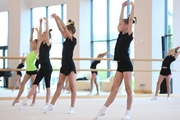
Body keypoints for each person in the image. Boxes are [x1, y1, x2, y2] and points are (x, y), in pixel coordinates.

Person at [94, 1, 136, 120]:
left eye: (120, 24)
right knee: (114, 88)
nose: (118, 25)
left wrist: (133, 6)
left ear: (126, 26)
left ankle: (127, 113)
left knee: (128, 88)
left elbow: (131, 18)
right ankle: (103, 110)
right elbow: (120, 18)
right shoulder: (120, 35)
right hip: (120, 65)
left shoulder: (128, 34)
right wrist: (122, 7)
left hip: (127, 65)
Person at [44, 13, 77, 114]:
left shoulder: (73, 39)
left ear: (70, 32)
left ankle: (72, 107)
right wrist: (55, 20)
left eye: (66, 31)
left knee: (72, 86)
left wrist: (58, 17)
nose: (64, 32)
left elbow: (64, 28)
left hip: (70, 66)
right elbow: (60, 28)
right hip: (64, 65)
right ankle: (51, 105)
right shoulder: (66, 39)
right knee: (59, 85)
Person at [19, 18, 53, 110]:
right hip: (42, 67)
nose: (41, 37)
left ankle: (47, 103)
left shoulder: (48, 44)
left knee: (47, 85)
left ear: (47, 37)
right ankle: (26, 100)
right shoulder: (40, 44)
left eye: (43, 36)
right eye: (41, 36)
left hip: (47, 67)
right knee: (35, 84)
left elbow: (45, 34)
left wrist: (47, 23)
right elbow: (39, 34)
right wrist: (40, 23)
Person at [12, 28, 39, 106]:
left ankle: (33, 101)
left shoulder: (36, 51)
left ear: (37, 45)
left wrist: (37, 33)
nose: (32, 44)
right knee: (23, 83)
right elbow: (30, 40)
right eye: (32, 43)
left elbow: (39, 42)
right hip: (28, 70)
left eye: (34, 43)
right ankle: (17, 98)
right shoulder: (31, 51)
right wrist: (32, 33)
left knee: (34, 85)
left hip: (33, 70)